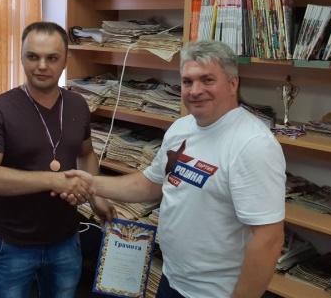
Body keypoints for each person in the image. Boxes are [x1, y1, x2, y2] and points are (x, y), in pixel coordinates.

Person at [63, 40, 286, 297]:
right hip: (172, 280)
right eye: (188, 81)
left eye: (207, 80)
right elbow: (150, 184)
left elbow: (269, 240)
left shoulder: (253, 144)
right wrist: (90, 183)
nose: (195, 90)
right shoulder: (182, 128)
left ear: (233, 83)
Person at [0, 21, 115, 298]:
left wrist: (96, 195)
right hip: (14, 244)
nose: (41, 66)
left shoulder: (77, 104)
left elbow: (85, 153)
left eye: (52, 58)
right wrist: (54, 180)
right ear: (21, 57)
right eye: (33, 56)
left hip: (66, 240)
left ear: (65, 61)